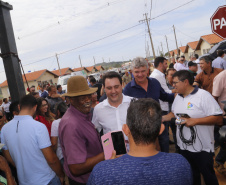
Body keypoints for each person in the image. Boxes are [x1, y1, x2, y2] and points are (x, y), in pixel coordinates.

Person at [88, 98, 192, 185]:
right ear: (161, 129)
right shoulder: (180, 164)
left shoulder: (101, 172)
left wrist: (110, 166)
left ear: (125, 129)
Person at [163, 70, 223, 185]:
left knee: (208, 177)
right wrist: (163, 118)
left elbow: (218, 119)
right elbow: (174, 114)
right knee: (192, 176)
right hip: (184, 147)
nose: (173, 85)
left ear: (185, 82)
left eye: (175, 82)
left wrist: (195, 121)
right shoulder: (178, 97)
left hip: (203, 149)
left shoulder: (203, 96)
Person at [1, 95, 64, 185]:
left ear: (19, 107)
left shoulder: (4, 129)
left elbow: (8, 156)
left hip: (24, 181)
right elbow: (51, 159)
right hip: (45, 179)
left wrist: (23, 165)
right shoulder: (38, 126)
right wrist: (61, 174)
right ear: (35, 107)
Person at [59, 76, 104, 185]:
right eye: (82, 97)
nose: (88, 100)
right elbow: (76, 168)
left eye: (88, 95)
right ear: (71, 100)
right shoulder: (71, 125)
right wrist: (105, 154)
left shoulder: (83, 115)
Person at [123, 57, 174, 152]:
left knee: (164, 148)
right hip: (141, 131)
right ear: (132, 72)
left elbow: (164, 96)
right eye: (137, 72)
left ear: (147, 70)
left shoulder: (154, 82)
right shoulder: (128, 89)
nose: (140, 74)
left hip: (159, 125)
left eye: (143, 71)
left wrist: (178, 94)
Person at [92, 71, 133, 142]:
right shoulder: (98, 109)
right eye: (109, 88)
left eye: (116, 87)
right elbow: (95, 132)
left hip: (136, 152)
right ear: (104, 89)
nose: (113, 91)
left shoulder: (134, 103)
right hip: (111, 153)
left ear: (122, 85)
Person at [150, 57, 176, 152]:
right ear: (160, 64)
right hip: (161, 108)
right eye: (165, 64)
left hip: (163, 106)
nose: (166, 66)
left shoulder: (158, 75)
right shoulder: (157, 76)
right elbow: (165, 92)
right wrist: (177, 90)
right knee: (163, 135)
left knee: (165, 133)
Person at [212, 70, 226, 175]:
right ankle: (219, 161)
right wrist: (218, 116)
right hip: (224, 115)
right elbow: (214, 98)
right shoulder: (221, 77)